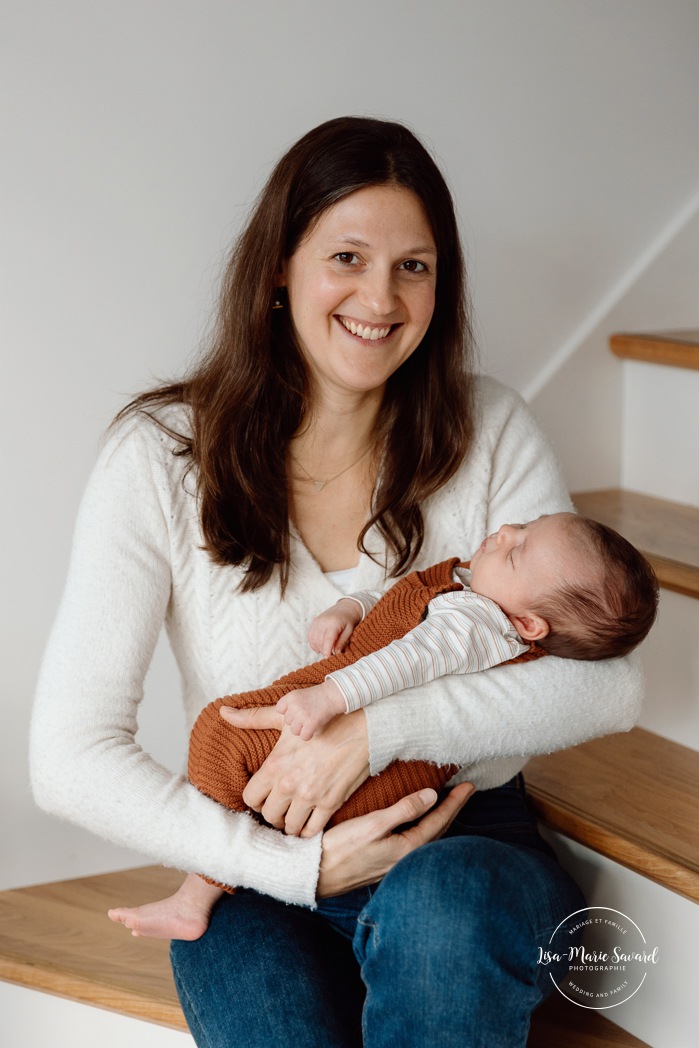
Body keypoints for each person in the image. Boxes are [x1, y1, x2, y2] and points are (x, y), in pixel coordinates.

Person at [30, 116, 644, 1048]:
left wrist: (371, 732)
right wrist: (294, 866)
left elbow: (607, 683)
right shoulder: (160, 458)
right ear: (280, 265)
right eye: (347, 256)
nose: (381, 297)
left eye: (414, 265)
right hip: (256, 873)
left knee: (446, 907)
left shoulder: (490, 430)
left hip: (467, 845)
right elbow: (67, 756)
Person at [107, 510, 657, 942]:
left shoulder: (477, 624)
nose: (507, 530)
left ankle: (197, 891)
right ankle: (206, 883)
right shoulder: (471, 584)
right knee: (228, 746)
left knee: (221, 737)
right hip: (341, 734)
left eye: (518, 552)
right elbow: (397, 596)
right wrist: (350, 607)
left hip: (383, 772)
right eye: (525, 526)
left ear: (529, 624)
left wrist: (332, 698)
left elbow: (407, 659)